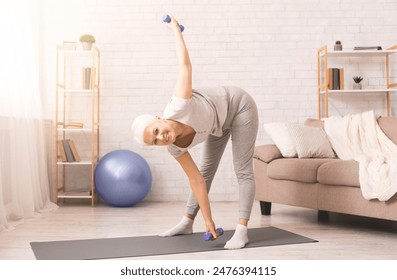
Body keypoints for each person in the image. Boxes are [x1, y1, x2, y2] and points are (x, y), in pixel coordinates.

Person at [131, 16, 258, 249]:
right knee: (205, 171)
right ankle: (187, 222)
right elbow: (196, 179)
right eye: (155, 141)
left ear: (159, 118)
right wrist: (208, 221)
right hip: (218, 124)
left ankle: (242, 230)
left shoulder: (178, 105)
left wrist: (175, 30)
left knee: (242, 169)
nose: (161, 137)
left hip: (238, 105)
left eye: (157, 130)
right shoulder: (174, 147)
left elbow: (185, 66)